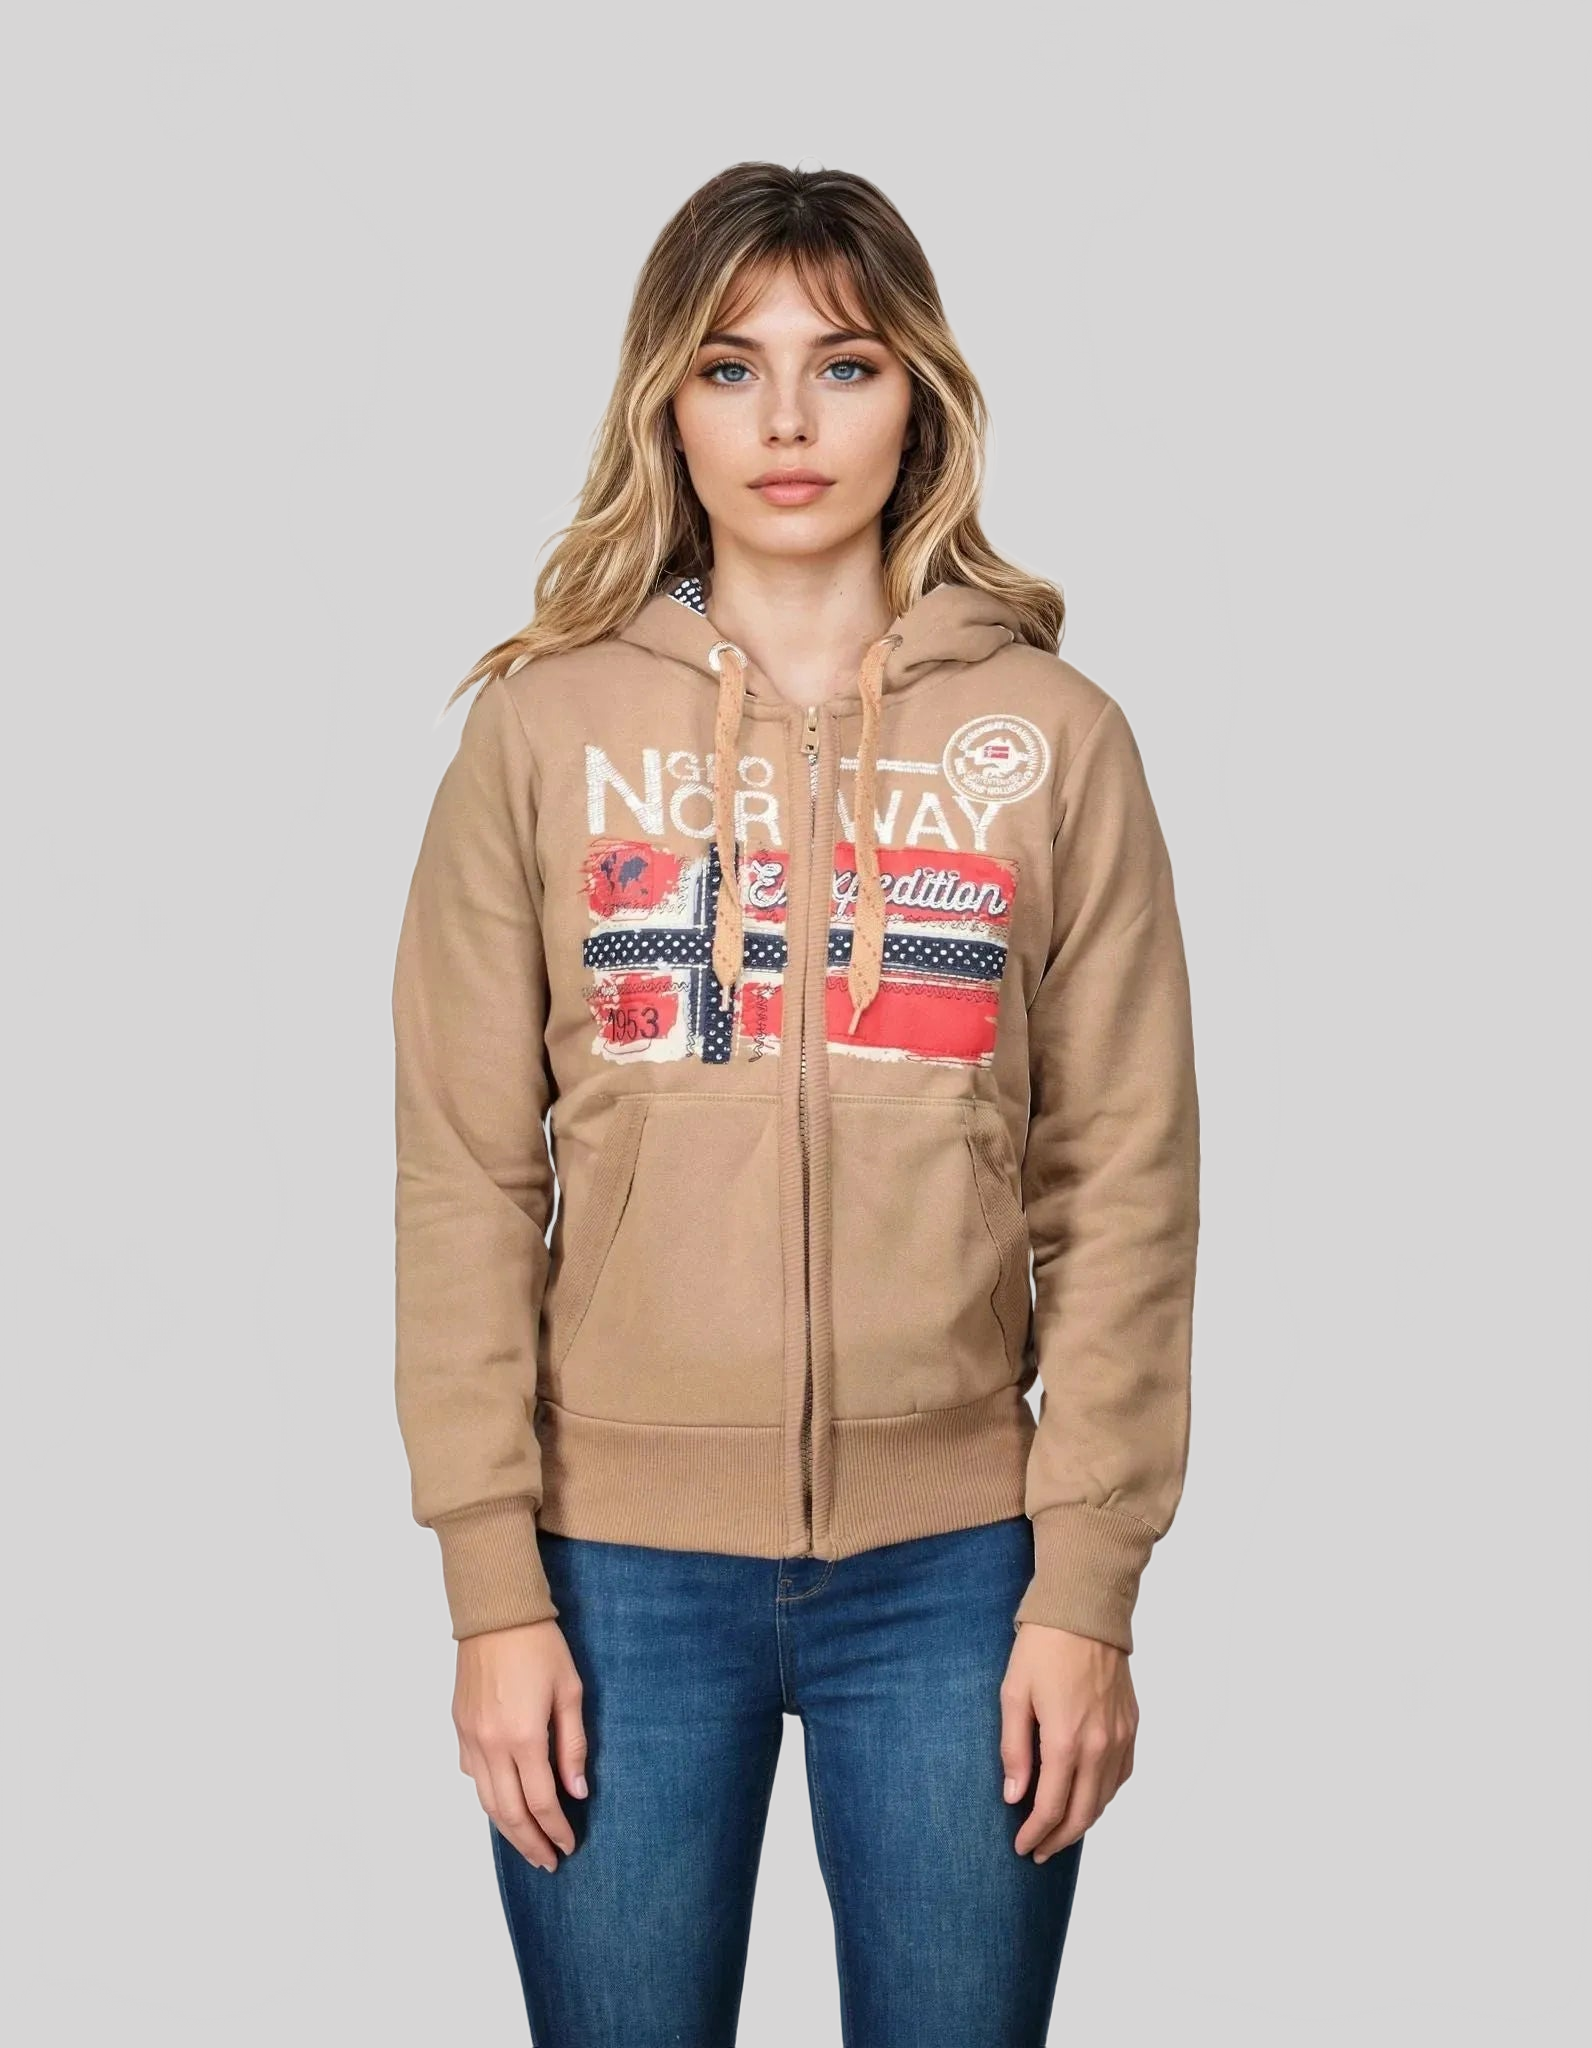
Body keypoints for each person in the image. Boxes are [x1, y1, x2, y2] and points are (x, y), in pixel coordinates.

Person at [391, 160, 1200, 2048]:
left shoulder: (1054, 740)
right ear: (664, 403)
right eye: (728, 366)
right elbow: (462, 1176)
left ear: (916, 396)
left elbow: (1125, 1181)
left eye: (841, 365)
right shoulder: (544, 732)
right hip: (608, 1571)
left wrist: (1086, 1589)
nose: (784, 422)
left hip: (962, 1578)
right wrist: (491, 1588)